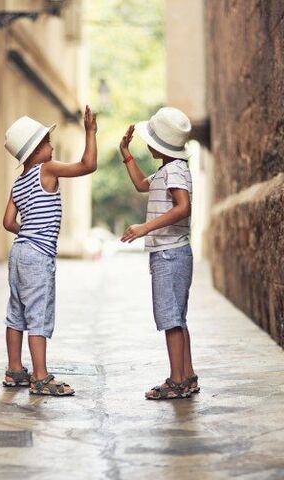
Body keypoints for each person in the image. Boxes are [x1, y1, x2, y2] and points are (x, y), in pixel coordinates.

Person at [2, 106, 98, 396]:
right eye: (45, 143)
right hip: (37, 255)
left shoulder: (18, 182)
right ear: (33, 152)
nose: (52, 146)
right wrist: (90, 132)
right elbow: (87, 165)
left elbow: (7, 222)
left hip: (18, 253)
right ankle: (41, 377)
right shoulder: (48, 169)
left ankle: (15, 370)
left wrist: (28, 232)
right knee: (38, 315)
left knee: (15, 313)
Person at [119, 107, 199, 400]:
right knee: (177, 318)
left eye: (150, 139)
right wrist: (126, 153)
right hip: (170, 254)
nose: (147, 144)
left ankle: (177, 381)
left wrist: (145, 227)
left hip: (170, 254)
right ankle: (187, 376)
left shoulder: (175, 170)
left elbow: (182, 206)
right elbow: (142, 185)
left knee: (170, 320)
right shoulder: (167, 169)